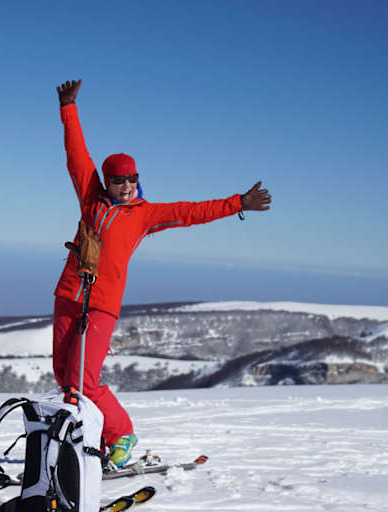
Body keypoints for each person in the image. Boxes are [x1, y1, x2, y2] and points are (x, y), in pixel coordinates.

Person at [52, 79, 271, 467]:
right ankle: (93, 441)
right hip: (69, 294)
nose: (126, 186)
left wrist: (240, 202)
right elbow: (77, 157)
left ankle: (121, 436)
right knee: (64, 376)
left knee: (83, 380)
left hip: (102, 305)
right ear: (108, 181)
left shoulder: (145, 215)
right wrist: (69, 110)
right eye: (119, 180)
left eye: (132, 178)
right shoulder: (91, 200)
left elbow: (192, 211)